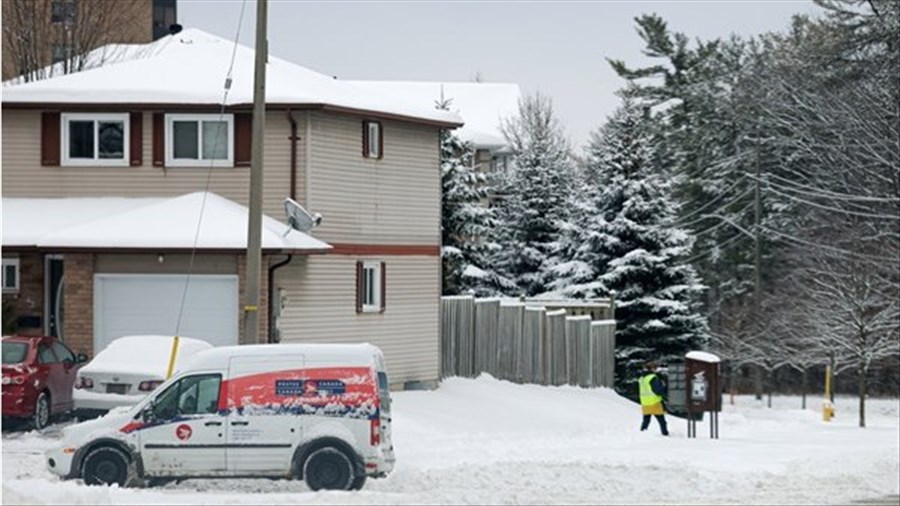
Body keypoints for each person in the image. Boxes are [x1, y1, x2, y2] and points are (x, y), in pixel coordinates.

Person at [639, 361, 669, 436]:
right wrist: (664, 387)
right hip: (654, 402)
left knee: (646, 420)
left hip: (645, 403)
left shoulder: (642, 378)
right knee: (662, 421)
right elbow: (657, 391)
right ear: (652, 369)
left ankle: (642, 433)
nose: (656, 370)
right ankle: (665, 434)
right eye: (655, 368)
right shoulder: (652, 378)